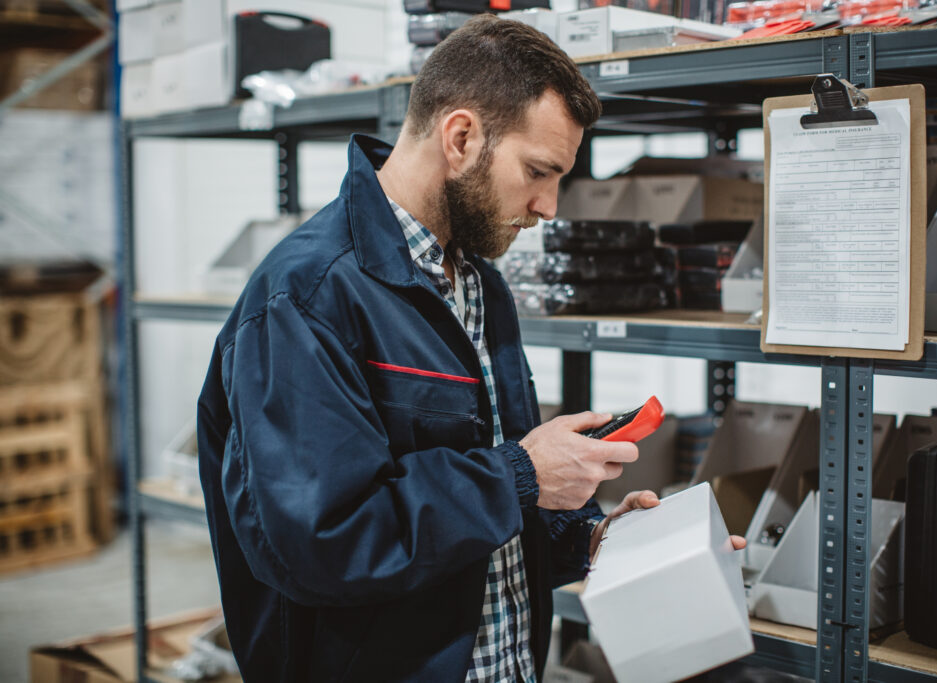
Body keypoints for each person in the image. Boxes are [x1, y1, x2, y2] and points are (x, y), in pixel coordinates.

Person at [197, 14, 744, 683]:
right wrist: (521, 474)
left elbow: (487, 500)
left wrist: (590, 537)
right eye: (539, 171)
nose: (549, 206)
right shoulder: (305, 299)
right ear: (460, 138)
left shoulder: (479, 282)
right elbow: (321, 543)